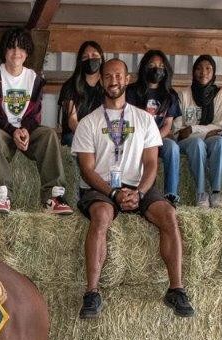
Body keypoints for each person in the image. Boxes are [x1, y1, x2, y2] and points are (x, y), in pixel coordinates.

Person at [71, 58, 194, 320]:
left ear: (127, 79)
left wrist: (139, 192)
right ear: (102, 81)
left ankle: (176, 288)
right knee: (102, 215)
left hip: (138, 184)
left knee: (169, 215)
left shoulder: (144, 120)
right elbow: (87, 170)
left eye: (118, 75)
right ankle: (92, 292)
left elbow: (151, 163)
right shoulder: (88, 122)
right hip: (102, 186)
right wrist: (114, 193)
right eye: (108, 76)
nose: (113, 80)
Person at [0, 27, 71, 215]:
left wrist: (25, 130)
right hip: (3, 132)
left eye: (21, 48)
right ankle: (1, 195)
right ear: (4, 51)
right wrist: (12, 130)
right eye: (11, 48)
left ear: (27, 52)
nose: (16, 53)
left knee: (48, 134)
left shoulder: (35, 79)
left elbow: (35, 114)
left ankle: (53, 197)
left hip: (26, 132)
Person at [126, 50, 182, 206]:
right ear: (144, 67)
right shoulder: (131, 91)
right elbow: (128, 120)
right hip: (136, 138)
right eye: (152, 65)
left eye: (161, 66)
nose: (157, 69)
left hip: (158, 138)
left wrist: (154, 140)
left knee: (173, 148)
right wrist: (143, 141)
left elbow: (168, 124)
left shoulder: (170, 95)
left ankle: (171, 195)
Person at [174, 54, 222, 208]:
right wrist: (204, 131)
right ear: (193, 72)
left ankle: (216, 191)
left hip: (206, 137)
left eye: (208, 69)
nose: (203, 72)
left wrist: (193, 128)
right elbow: (179, 129)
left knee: (221, 142)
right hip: (187, 142)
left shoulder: (219, 96)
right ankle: (201, 192)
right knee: (197, 143)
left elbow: (219, 127)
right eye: (198, 68)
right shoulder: (184, 95)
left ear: (213, 73)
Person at [57, 40, 105, 147]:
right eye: (85, 57)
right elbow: (72, 120)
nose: (90, 59)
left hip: (102, 135)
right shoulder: (70, 85)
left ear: (101, 59)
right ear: (80, 61)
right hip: (75, 134)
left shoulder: (107, 85)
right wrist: (88, 136)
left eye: (94, 55)